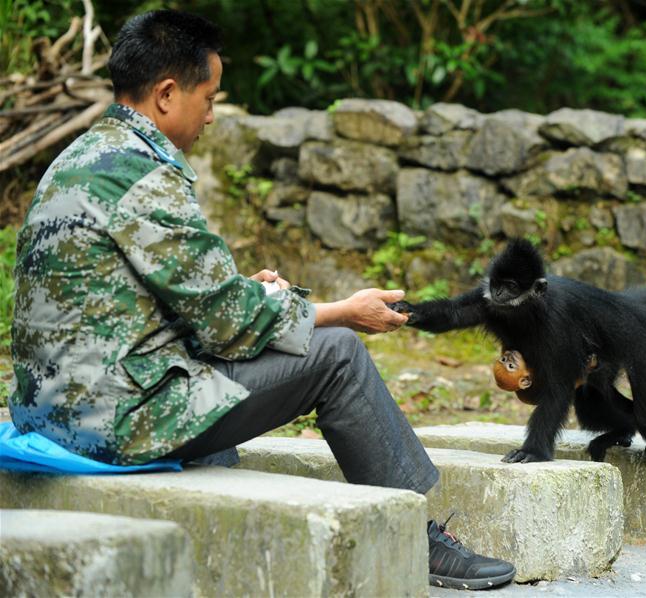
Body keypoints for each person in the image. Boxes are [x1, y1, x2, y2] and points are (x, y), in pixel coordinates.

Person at [9, 9, 515, 591]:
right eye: (210, 98)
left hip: (50, 411)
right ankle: (416, 537)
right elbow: (225, 319)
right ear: (168, 94)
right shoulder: (145, 174)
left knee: (245, 364)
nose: (212, 118)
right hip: (113, 420)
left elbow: (146, 302)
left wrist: (249, 292)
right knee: (339, 355)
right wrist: (341, 311)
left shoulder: (80, 158)